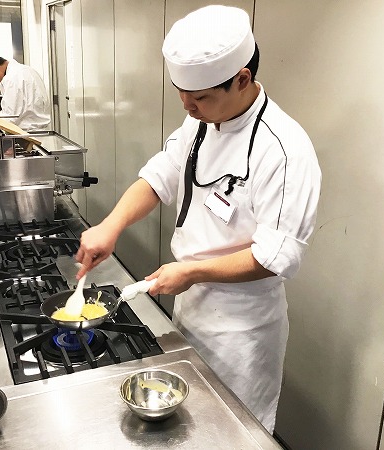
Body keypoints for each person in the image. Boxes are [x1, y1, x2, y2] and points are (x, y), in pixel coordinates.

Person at [75, 5, 321, 433]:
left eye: (202, 96)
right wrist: (110, 226)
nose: (188, 106)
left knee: (233, 433)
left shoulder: (283, 149)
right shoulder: (203, 122)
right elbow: (160, 177)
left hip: (242, 331)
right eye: (181, 93)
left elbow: (275, 256)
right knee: (189, 429)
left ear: (241, 78)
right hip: (190, 307)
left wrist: (192, 271)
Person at [0, 55, 50, 131]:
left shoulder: (11, 78)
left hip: (27, 133)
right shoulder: (28, 70)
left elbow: (9, 117)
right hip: (42, 131)